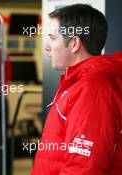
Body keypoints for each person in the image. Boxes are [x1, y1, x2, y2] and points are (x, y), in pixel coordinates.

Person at [31, 4, 122, 175]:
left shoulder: (94, 89)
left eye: (53, 38)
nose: (47, 47)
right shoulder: (78, 84)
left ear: (74, 43)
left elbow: (84, 168)